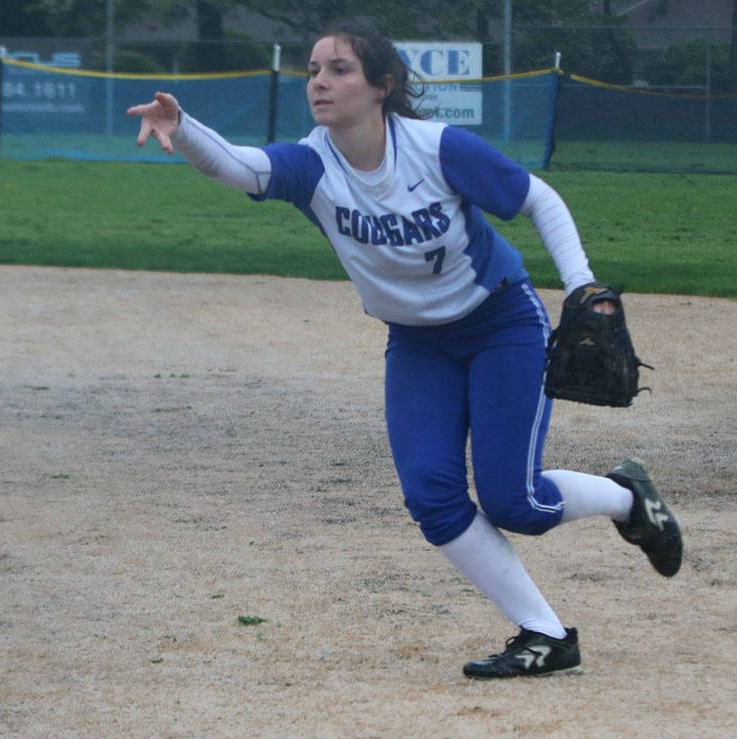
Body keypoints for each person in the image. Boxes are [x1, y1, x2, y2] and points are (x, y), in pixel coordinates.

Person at [127, 23, 682, 679]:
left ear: (382, 85)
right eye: (313, 71)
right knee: (433, 496)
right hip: (418, 344)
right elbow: (241, 167)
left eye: (339, 70)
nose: (320, 83)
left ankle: (627, 499)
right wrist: (183, 125)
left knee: (516, 504)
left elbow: (539, 199)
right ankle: (546, 633)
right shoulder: (314, 166)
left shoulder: (433, 148)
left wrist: (583, 281)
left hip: (500, 323)